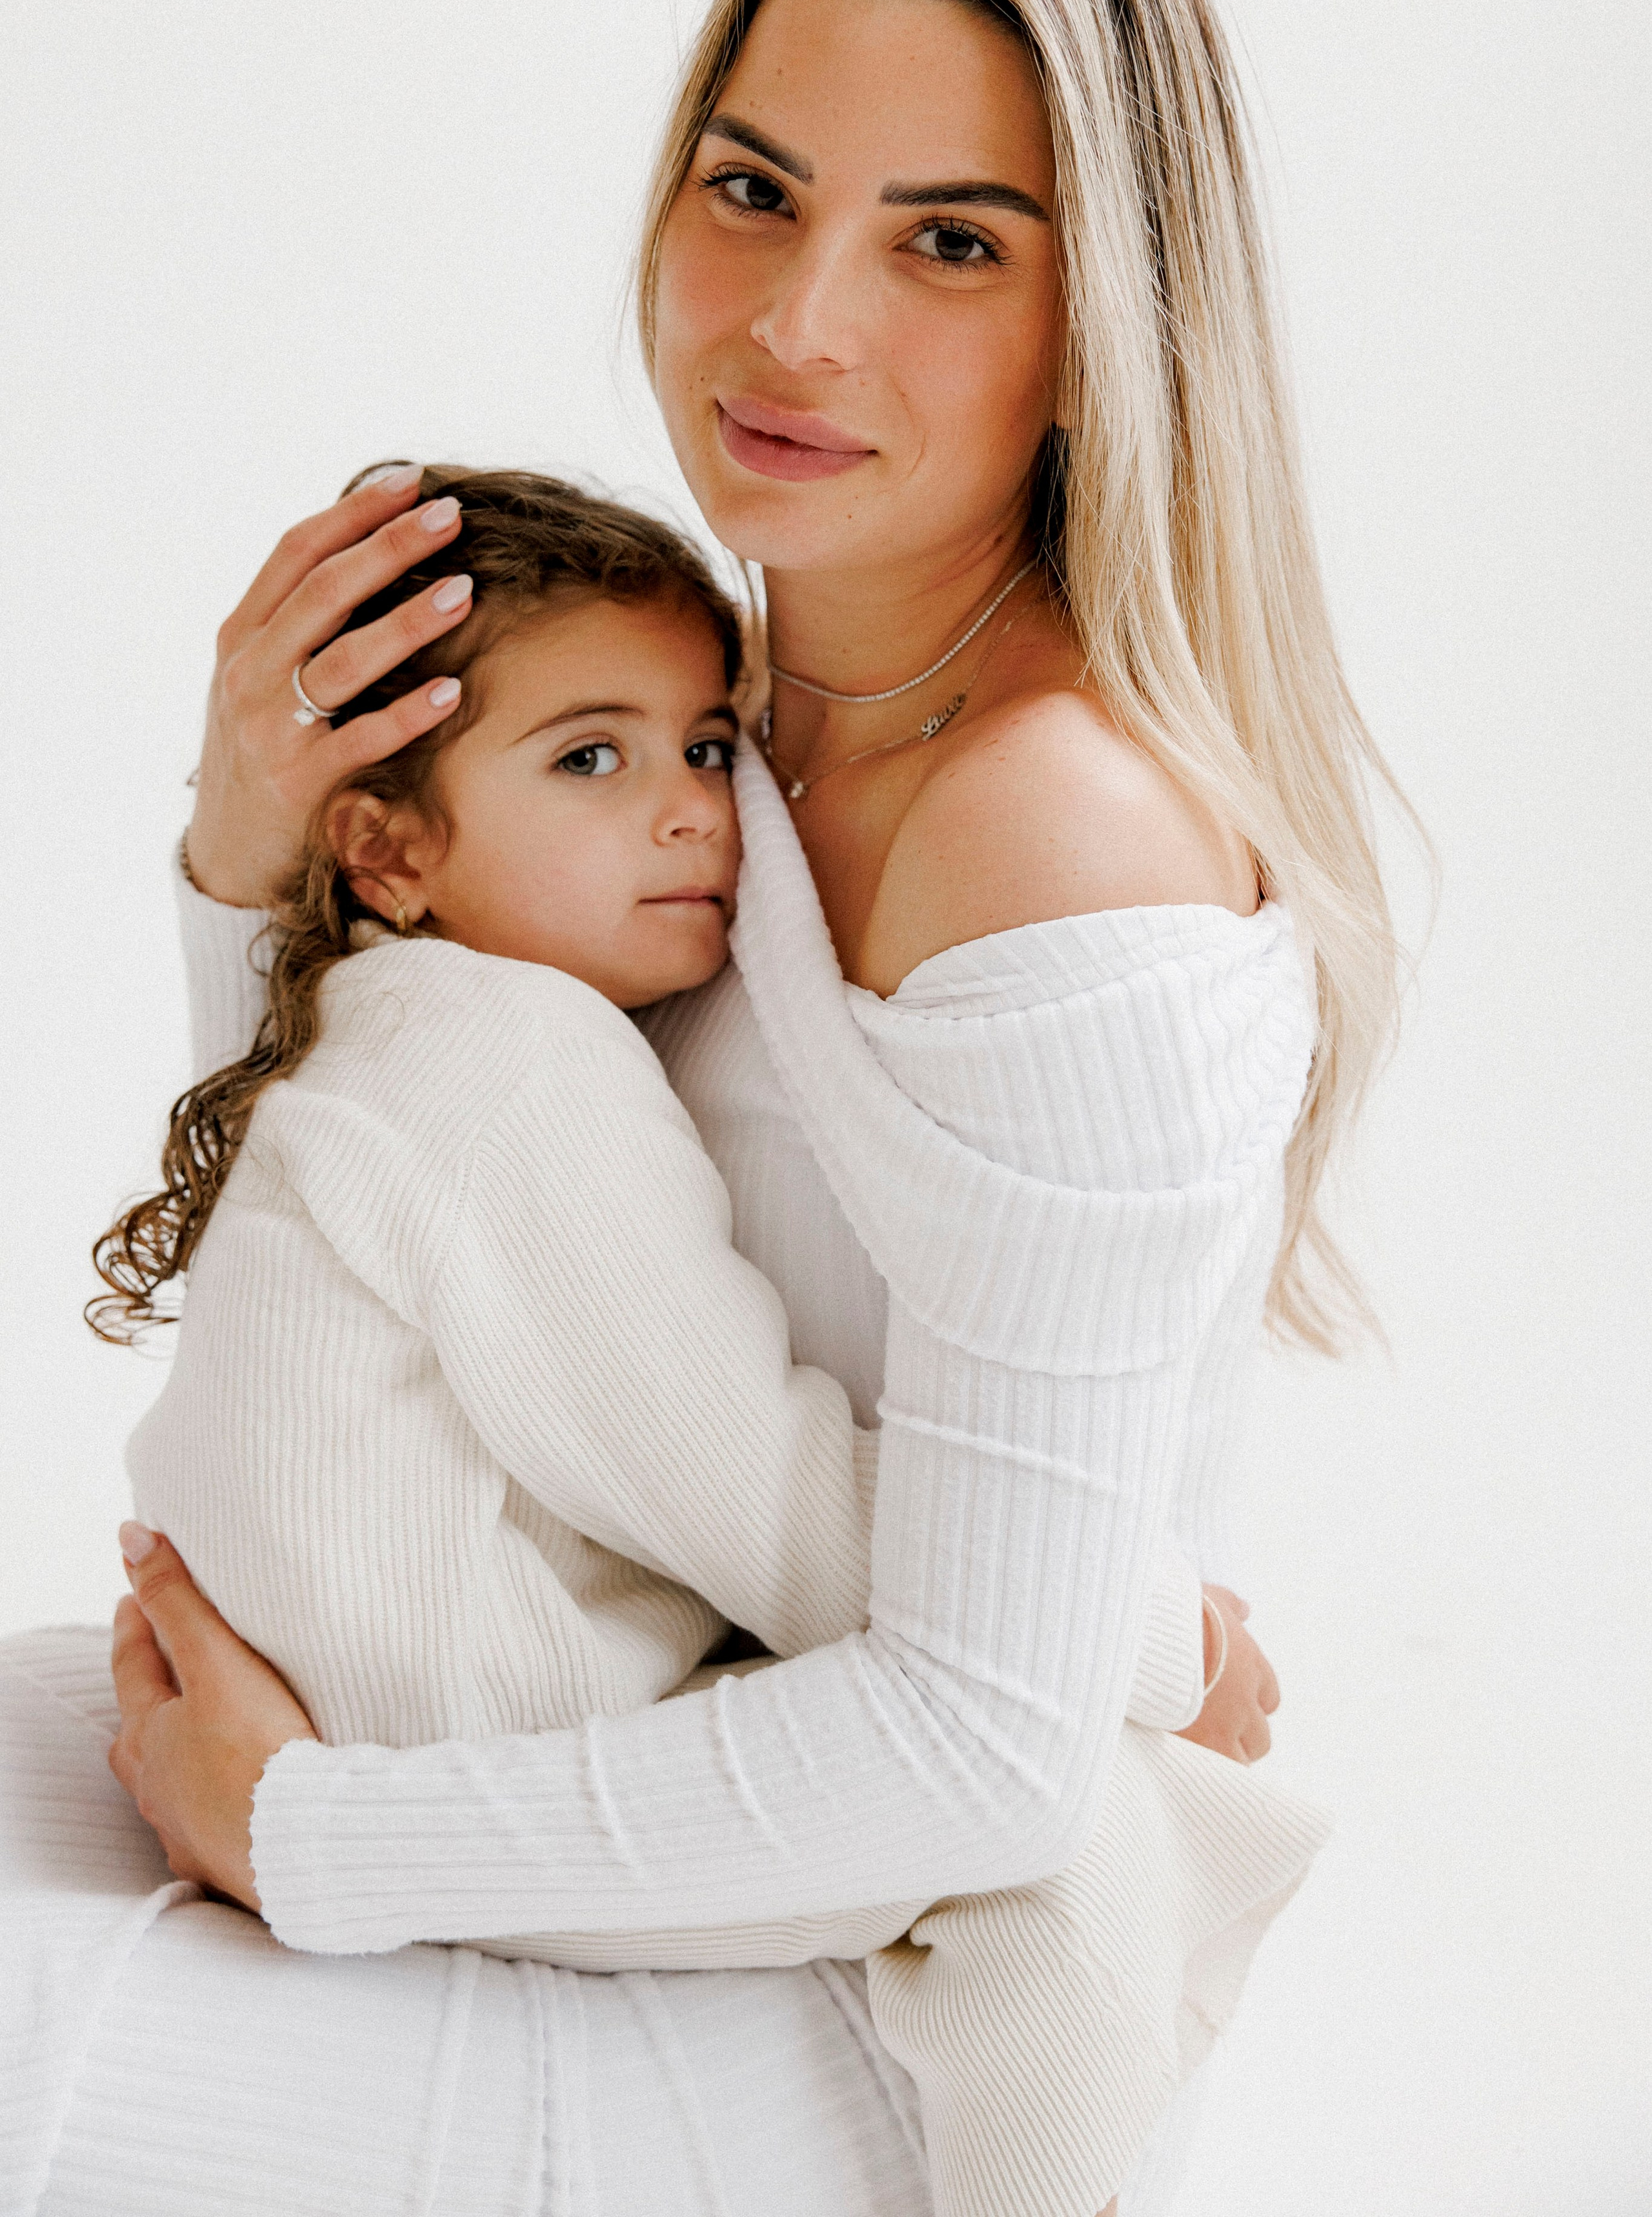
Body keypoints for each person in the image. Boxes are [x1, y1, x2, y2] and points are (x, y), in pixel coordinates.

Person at [0, 0, 1400, 2217]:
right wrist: (262, 848)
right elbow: (400, 1190)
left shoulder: (1056, 833)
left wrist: (301, 1829)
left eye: (948, 241)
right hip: (636, 1724)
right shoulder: (714, 726)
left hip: (890, 1986)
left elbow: (988, 1750)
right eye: (752, 190)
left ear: (1108, 322)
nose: (792, 325)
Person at [84, 463, 1325, 2217]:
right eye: (591, 756)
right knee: (1077, 1839)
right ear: (389, 846)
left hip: (389, 1687)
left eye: (706, 746)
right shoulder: (510, 1067)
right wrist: (1145, 1632)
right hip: (447, 1727)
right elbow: (770, 1493)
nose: (690, 813)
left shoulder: (410, 1024)